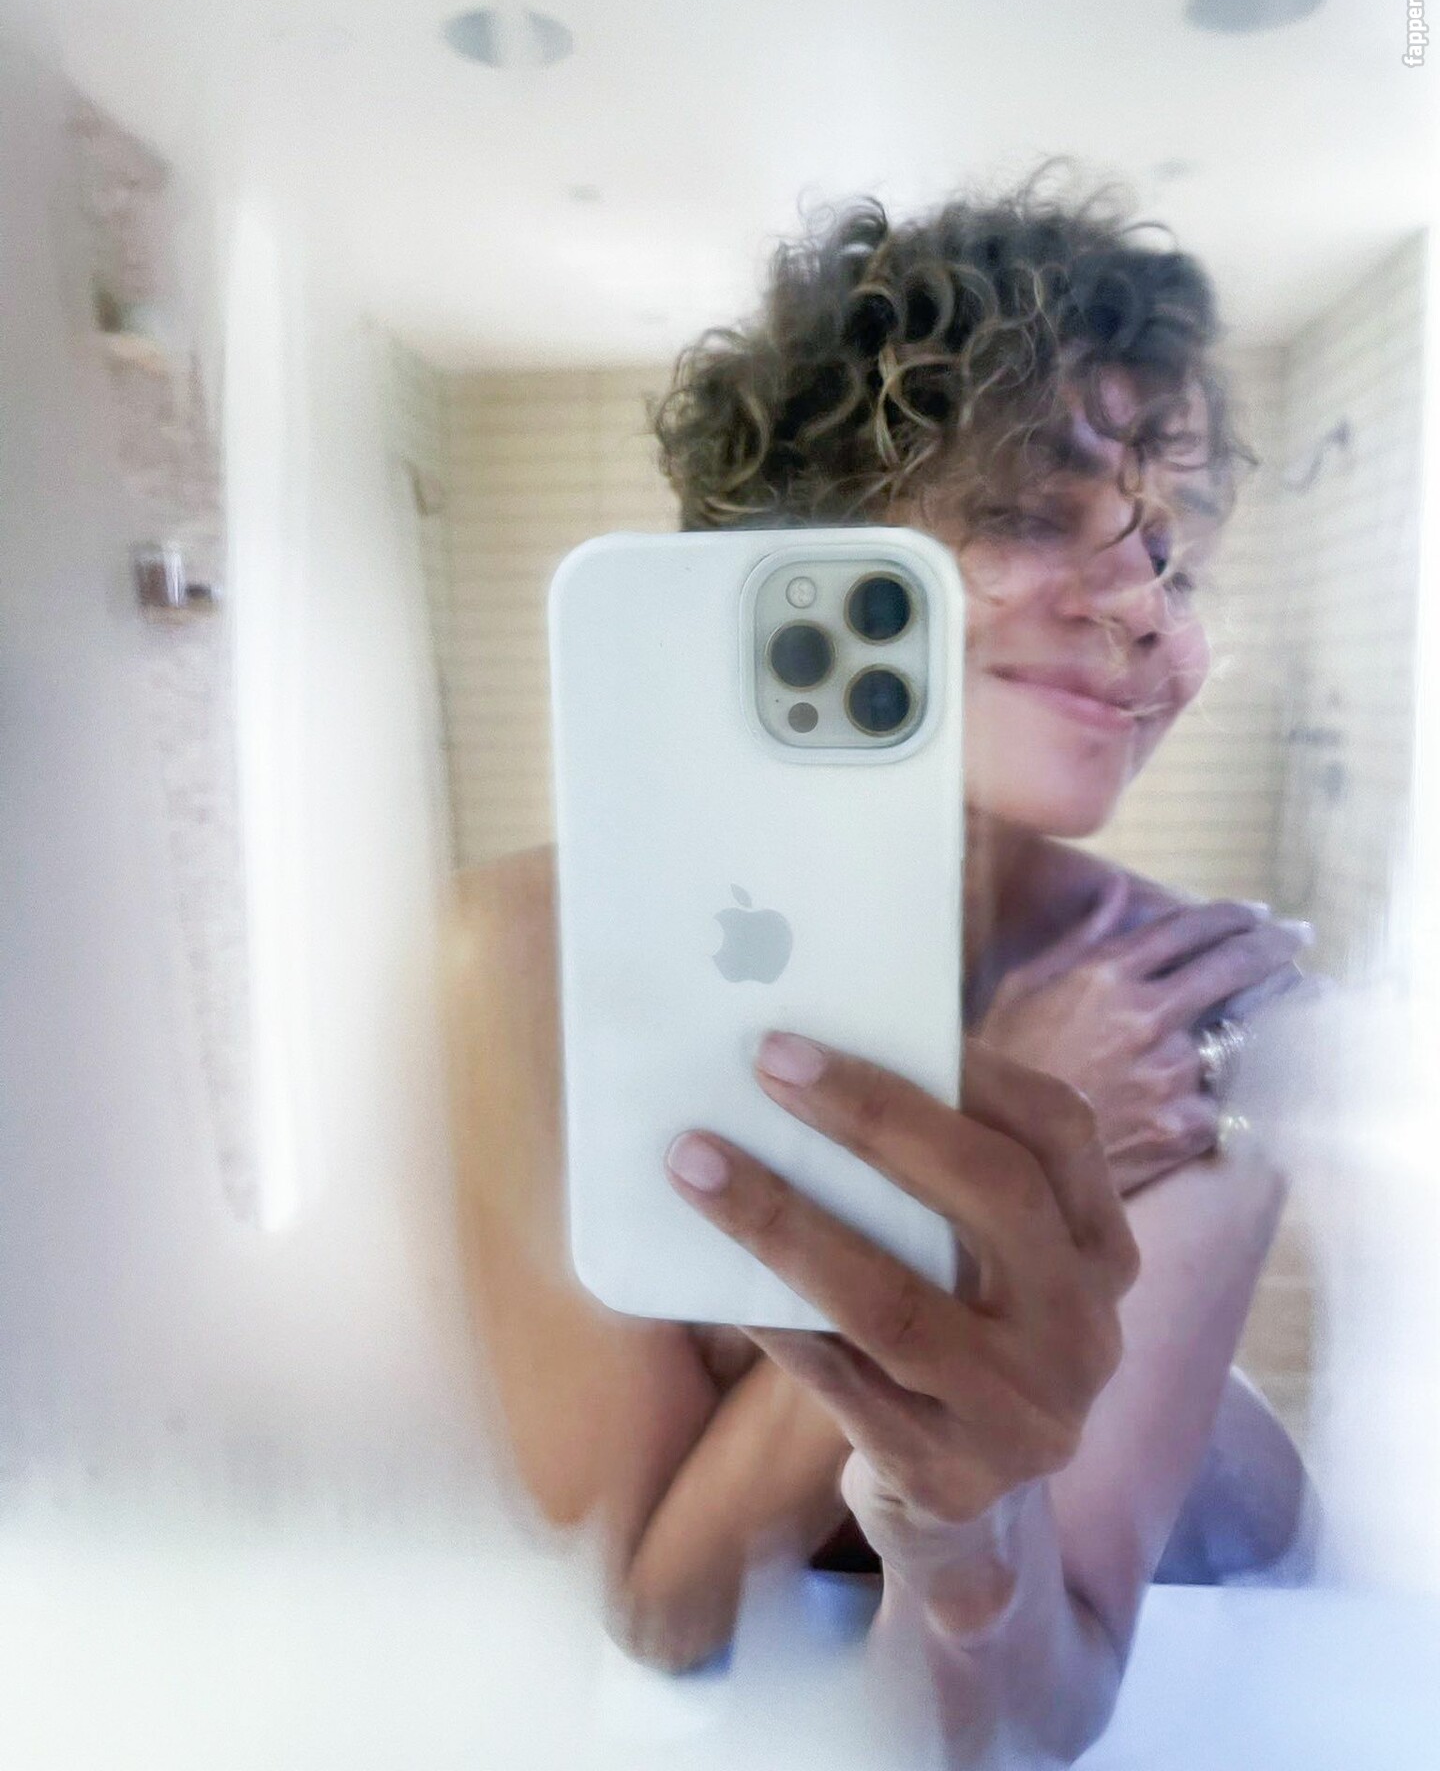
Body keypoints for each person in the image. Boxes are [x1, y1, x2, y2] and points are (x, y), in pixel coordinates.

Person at [441, 168, 1314, 1765]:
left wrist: (956, 1525)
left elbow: (1036, 1714)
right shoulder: (521, 950)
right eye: (1033, 510)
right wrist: (1007, 1138)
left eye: (1176, 556)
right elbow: (659, 1611)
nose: (1147, 616)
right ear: (793, 563)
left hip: (1226, 1565)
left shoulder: (1188, 1012)